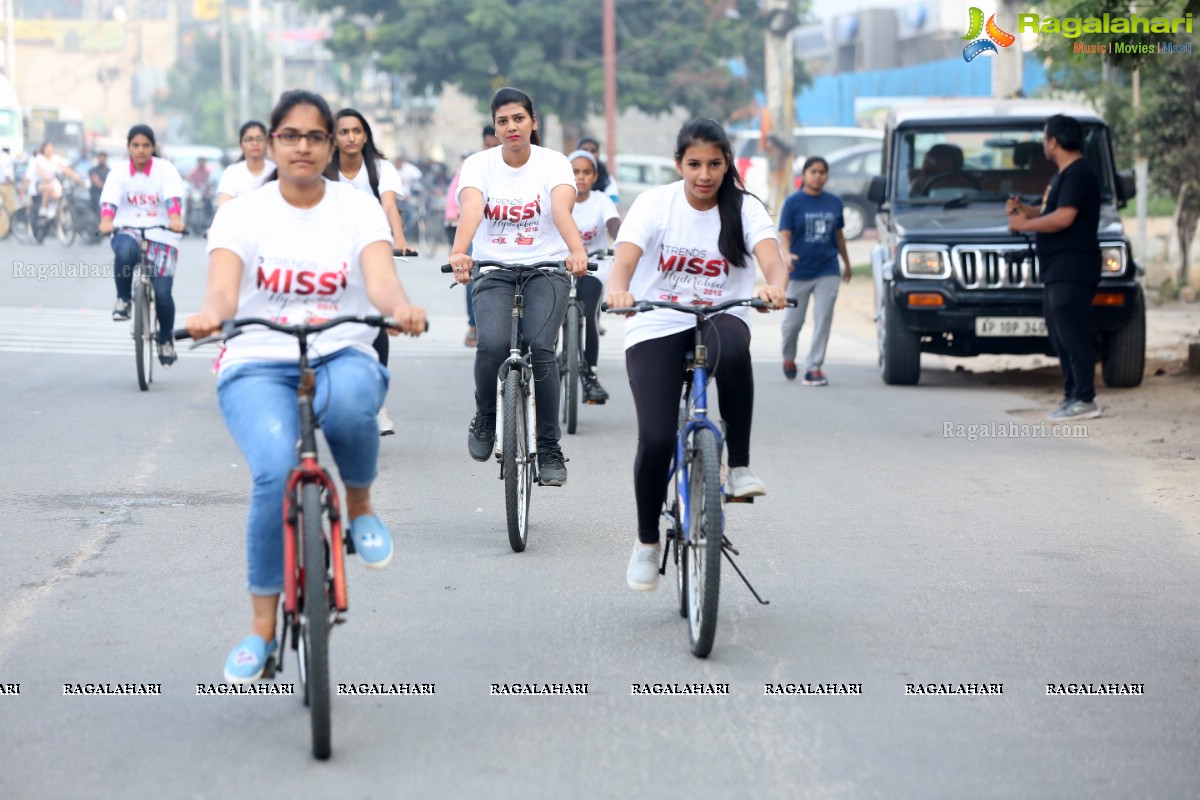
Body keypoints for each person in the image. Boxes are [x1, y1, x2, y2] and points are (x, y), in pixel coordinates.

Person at [186, 89, 426, 683]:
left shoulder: (354, 208)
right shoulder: (243, 212)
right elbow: (221, 288)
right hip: (257, 360)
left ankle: (362, 506)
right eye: (289, 135)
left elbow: (380, 280)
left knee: (350, 407)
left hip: (339, 347)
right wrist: (210, 314)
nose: (302, 146)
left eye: (314, 136)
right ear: (270, 144)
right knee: (273, 472)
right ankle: (261, 631)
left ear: (330, 145)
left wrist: (402, 308)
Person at [605, 118, 788, 592]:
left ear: (728, 163)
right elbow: (625, 258)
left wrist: (774, 286)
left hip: (720, 313)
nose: (704, 175)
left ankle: (739, 465)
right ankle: (646, 542)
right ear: (678, 165)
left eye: (714, 164)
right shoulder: (654, 204)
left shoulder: (745, 208)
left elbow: (771, 258)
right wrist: (620, 290)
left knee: (736, 349)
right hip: (658, 319)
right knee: (657, 439)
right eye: (694, 165)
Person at [449, 86, 588, 486]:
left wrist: (576, 252)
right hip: (494, 270)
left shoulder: (555, 163)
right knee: (491, 344)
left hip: (547, 269)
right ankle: (486, 416)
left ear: (533, 122)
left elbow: (561, 209)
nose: (511, 127)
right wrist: (461, 252)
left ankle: (548, 447)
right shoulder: (479, 164)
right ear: (495, 127)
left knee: (542, 347)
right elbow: (473, 209)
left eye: (518, 119)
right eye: (503, 121)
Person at [1007, 114, 1103, 422]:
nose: (1043, 145)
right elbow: (1051, 210)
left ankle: (1085, 398)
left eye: (1044, 139)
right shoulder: (1062, 175)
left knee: (1072, 331)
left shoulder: (1078, 174)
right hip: (1056, 268)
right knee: (1059, 333)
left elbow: (1064, 218)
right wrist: (1026, 210)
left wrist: (1025, 224)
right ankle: (1071, 395)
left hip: (1073, 267)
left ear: (1054, 142)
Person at [326, 108, 413, 436]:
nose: (350, 138)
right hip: (331, 256)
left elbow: (389, 205)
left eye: (356, 131)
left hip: (373, 253)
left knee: (377, 323)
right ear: (334, 137)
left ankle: (376, 403)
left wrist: (400, 239)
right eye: (344, 131)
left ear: (365, 136)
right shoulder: (325, 169)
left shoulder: (380, 169)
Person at [98, 124, 185, 366]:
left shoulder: (165, 170)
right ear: (128, 147)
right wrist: (106, 220)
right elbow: (109, 200)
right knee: (125, 251)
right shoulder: (118, 172)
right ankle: (123, 299)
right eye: (135, 145)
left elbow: (173, 198)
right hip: (128, 228)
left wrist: (175, 218)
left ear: (153, 147)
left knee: (164, 294)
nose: (141, 150)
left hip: (162, 233)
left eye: (146, 145)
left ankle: (165, 340)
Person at [778, 156, 852, 386]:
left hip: (828, 270)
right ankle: (788, 358)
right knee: (792, 324)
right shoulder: (793, 203)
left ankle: (813, 368)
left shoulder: (834, 202)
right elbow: (784, 235)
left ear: (827, 175)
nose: (818, 176)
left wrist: (846, 263)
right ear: (805, 174)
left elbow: (839, 236)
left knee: (823, 320)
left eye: (822, 172)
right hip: (799, 271)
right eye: (813, 171)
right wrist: (787, 255)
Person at [565, 148, 621, 403]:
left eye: (586, 172)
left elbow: (613, 224)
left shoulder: (601, 201)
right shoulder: (558, 198)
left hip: (594, 267)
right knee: (548, 316)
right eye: (575, 172)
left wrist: (623, 242)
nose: (580, 177)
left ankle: (590, 376)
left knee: (587, 316)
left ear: (595, 176)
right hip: (559, 268)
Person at [446, 125, 502, 348]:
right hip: (478, 232)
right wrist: (453, 214)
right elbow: (456, 196)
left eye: (494, 146)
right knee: (470, 272)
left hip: (513, 236)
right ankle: (474, 324)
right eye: (487, 145)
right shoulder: (473, 167)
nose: (490, 150)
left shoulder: (519, 167)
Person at [216, 120, 275, 206]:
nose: (255, 143)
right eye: (249, 139)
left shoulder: (276, 171)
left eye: (259, 139)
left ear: (266, 142)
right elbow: (223, 208)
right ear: (241, 144)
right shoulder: (232, 173)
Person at [22, 141, 81, 219]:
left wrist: (76, 176)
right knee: (48, 187)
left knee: (59, 194)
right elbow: (40, 172)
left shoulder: (55, 158)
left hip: (53, 184)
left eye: (51, 147)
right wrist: (45, 177)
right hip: (40, 184)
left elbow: (64, 169)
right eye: (47, 147)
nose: (49, 149)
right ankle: (43, 207)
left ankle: (52, 209)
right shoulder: (39, 158)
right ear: (44, 148)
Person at [578, 136, 621, 207]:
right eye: (585, 150)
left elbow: (614, 205)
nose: (589, 154)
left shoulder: (607, 180)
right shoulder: (567, 174)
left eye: (593, 151)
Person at [187, 156, 216, 228]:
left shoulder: (208, 172)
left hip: (205, 193)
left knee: (209, 204)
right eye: (200, 162)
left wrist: (208, 187)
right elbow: (190, 179)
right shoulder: (194, 171)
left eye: (203, 162)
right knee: (188, 203)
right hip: (196, 192)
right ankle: (187, 219)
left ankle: (210, 219)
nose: (201, 163)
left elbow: (211, 181)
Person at [1, 146, 17, 213]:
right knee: (8, 207)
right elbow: (7, 173)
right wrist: (12, 183)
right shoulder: (5, 157)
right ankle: (7, 223)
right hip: (5, 185)